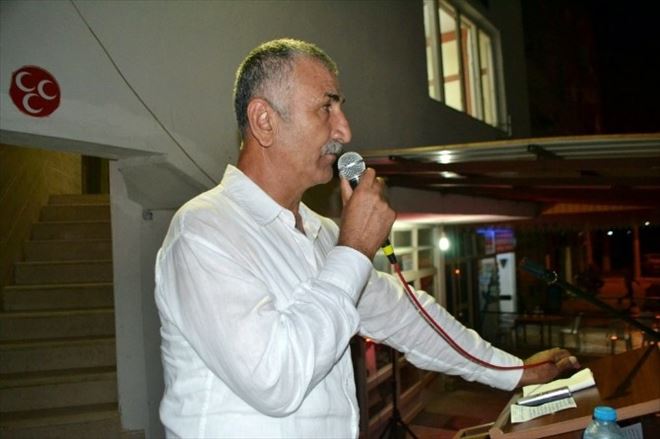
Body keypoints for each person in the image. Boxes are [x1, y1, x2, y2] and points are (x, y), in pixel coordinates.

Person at [154, 38, 579, 438]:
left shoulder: (323, 235)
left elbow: (408, 318)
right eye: (326, 107)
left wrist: (513, 372)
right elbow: (274, 379)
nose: (345, 131)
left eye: (341, 108)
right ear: (264, 121)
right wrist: (355, 249)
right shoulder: (204, 230)